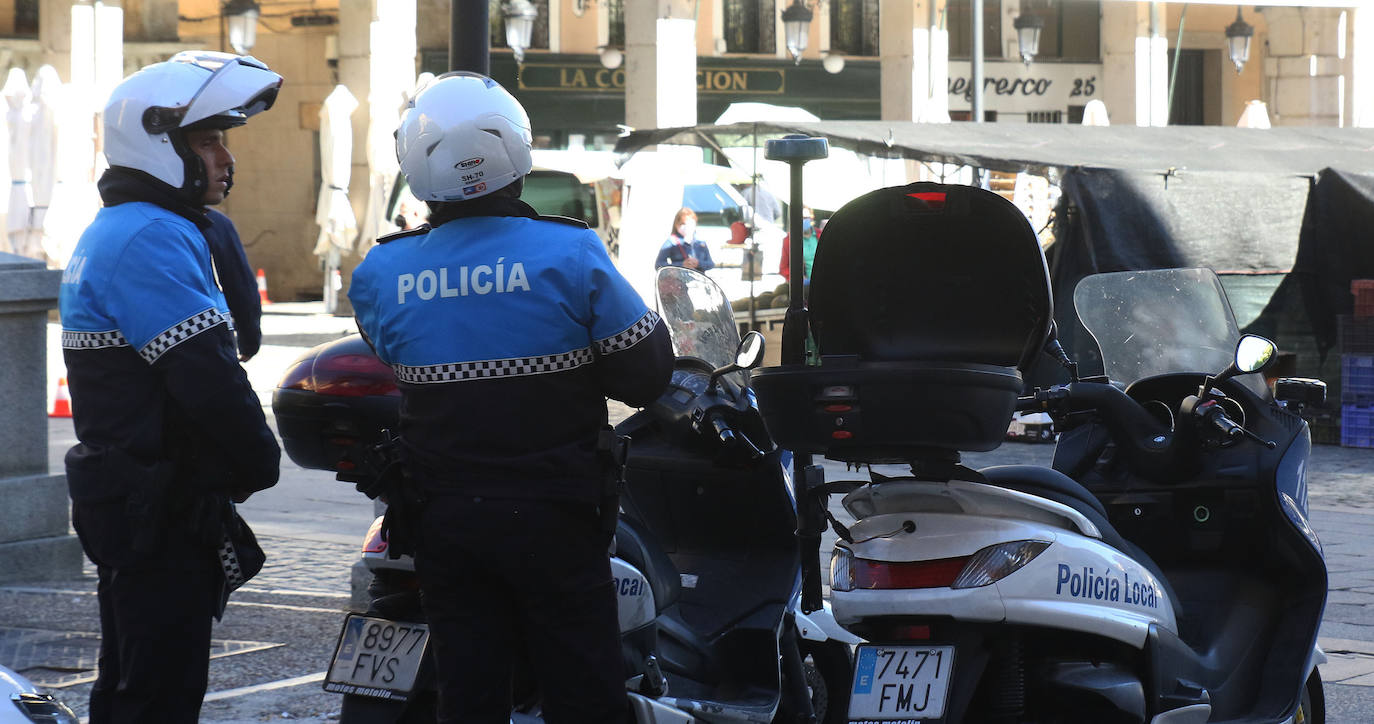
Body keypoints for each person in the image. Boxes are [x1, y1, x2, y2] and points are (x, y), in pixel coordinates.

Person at [348, 72, 673, 724]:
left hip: (444, 521)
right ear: (517, 160)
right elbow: (646, 375)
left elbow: (394, 355)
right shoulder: (571, 252)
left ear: (417, 170)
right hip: (555, 517)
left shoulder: (381, 272)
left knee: (468, 692)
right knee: (584, 691)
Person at [57, 51, 283, 724]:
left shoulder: (130, 228)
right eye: (208, 140)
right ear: (158, 143)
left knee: (131, 679)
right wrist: (258, 461)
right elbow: (207, 374)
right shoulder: (151, 235)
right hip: (160, 502)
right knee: (157, 692)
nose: (224, 157)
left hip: (136, 497)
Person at [204, 208, 262, 361]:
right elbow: (240, 286)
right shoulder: (212, 222)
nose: (225, 183)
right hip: (208, 336)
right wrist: (249, 340)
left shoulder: (138, 216)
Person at [655, 207, 715, 271]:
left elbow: (711, 264)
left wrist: (698, 263)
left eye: (690, 223)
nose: (687, 226)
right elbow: (659, 264)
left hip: (698, 278)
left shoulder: (700, 242)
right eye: (683, 224)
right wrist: (681, 265)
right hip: (679, 279)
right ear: (676, 225)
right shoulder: (671, 241)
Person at [779, 206, 819, 284]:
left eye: (806, 217)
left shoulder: (821, 235)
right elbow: (783, 268)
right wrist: (797, 278)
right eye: (801, 218)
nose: (804, 220)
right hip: (803, 285)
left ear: (812, 218)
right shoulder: (789, 240)